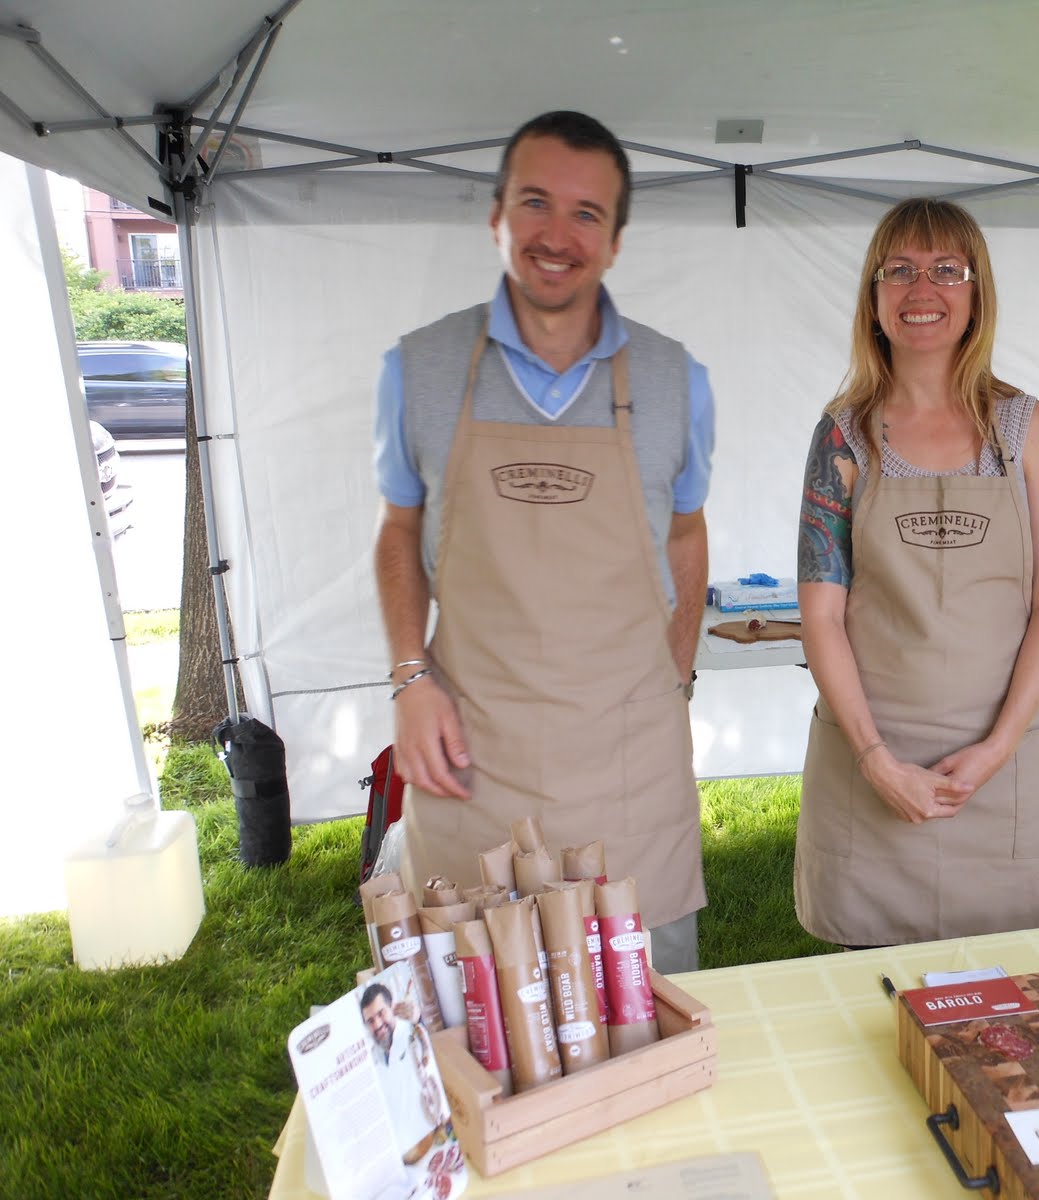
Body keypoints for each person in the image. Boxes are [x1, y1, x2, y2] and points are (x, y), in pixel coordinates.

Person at [373, 111, 713, 973]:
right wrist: (410, 678)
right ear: (497, 216)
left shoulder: (678, 380)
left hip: (629, 773)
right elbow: (399, 530)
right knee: (477, 1020)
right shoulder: (418, 368)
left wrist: (675, 675)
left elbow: (686, 532)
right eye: (535, 203)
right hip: (472, 764)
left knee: (648, 1020)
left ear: (616, 240)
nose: (557, 235)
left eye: (586, 213)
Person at [793, 197, 1039, 947]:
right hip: (872, 763)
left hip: (1006, 760)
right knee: (869, 997)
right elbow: (822, 615)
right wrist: (876, 761)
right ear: (873, 296)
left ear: (976, 292)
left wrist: (996, 746)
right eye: (899, 270)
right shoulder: (842, 437)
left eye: (946, 270)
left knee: (1029, 991)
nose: (921, 289)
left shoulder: (1026, 428)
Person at [359, 982, 443, 1165]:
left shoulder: (412, 1031)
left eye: (381, 1013)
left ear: (392, 1007)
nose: (378, 1024)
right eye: (370, 1021)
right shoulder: (371, 1057)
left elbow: (436, 1043)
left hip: (432, 1141)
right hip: (396, 1156)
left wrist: (418, 1018)